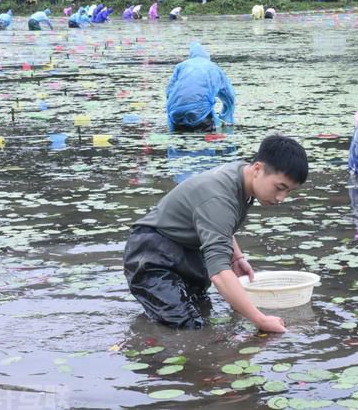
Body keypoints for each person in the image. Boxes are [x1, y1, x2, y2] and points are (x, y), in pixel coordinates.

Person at [123, 135, 309, 331]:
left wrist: (236, 258)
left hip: (186, 250)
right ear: (257, 169)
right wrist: (261, 320)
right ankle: (147, 340)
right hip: (152, 254)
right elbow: (219, 273)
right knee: (184, 325)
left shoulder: (242, 174)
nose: (281, 198)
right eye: (280, 188)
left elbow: (219, 224)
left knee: (202, 308)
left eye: (289, 191)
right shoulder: (219, 196)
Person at [166, 42, 235, 132]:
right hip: (200, 114)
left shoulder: (181, 66)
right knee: (204, 141)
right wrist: (226, 117)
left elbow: (169, 91)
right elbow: (229, 96)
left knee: (178, 140)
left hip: (175, 112)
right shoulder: (214, 68)